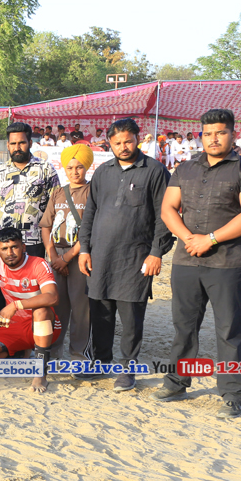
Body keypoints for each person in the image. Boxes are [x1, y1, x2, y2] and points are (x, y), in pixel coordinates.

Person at [155, 108, 241, 418]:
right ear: (201, 136)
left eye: (220, 132)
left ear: (233, 134)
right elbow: (168, 209)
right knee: (183, 326)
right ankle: (176, 383)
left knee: (229, 330)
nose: (213, 139)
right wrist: (189, 239)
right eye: (207, 134)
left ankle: (233, 395)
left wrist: (211, 239)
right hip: (186, 260)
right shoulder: (185, 169)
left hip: (228, 262)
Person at [78, 118, 172, 391]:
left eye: (128, 141)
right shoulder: (103, 172)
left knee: (131, 316)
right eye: (117, 143)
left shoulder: (154, 171)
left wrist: (156, 252)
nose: (123, 147)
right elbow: (90, 212)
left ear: (138, 139)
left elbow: (165, 216)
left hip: (136, 257)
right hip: (100, 255)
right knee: (101, 313)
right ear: (109, 143)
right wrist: (84, 248)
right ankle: (101, 361)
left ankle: (127, 369)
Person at [0, 228, 60, 394]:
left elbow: (52, 297)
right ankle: (23, 356)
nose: (10, 253)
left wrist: (15, 305)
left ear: (23, 247)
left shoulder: (38, 264)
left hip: (42, 323)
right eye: (4, 249)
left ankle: (40, 372)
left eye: (14, 247)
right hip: (15, 325)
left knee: (40, 311)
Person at [40, 144, 93, 365]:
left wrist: (67, 257)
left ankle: (79, 354)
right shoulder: (58, 192)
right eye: (70, 168)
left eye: (79, 167)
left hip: (80, 255)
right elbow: (46, 226)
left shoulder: (92, 192)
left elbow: (91, 229)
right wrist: (53, 256)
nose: (74, 172)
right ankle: (53, 350)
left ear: (87, 167)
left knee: (81, 308)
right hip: (56, 257)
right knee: (56, 306)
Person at [0, 122, 59, 259]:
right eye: (13, 144)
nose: (17, 148)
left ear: (30, 143)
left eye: (21, 143)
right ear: (8, 145)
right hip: (4, 243)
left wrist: (52, 246)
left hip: (35, 242)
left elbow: (56, 206)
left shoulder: (45, 169)